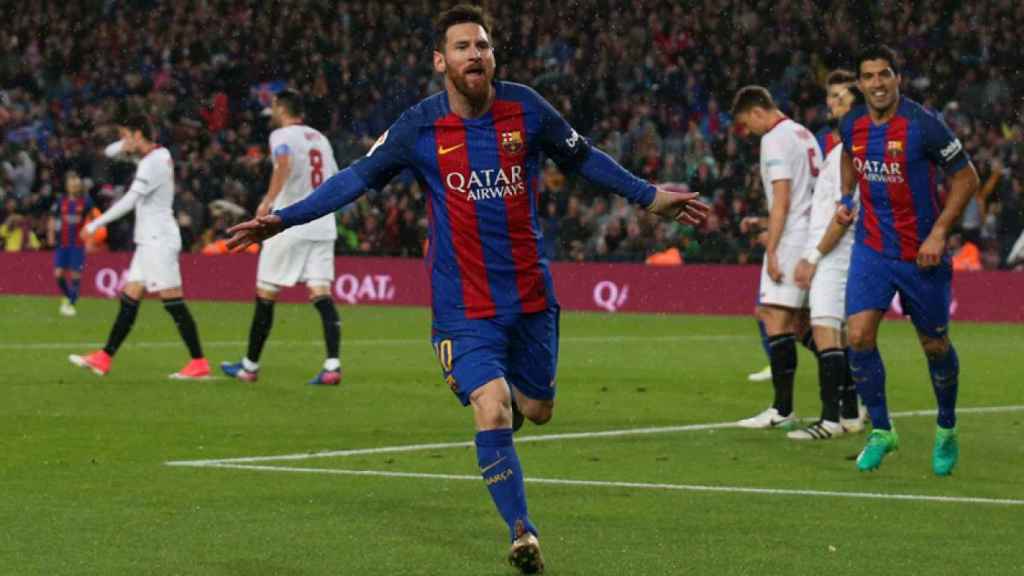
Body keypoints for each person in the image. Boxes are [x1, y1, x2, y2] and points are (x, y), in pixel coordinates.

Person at [224, 5, 709, 573]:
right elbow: (356, 177)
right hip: (463, 306)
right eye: (462, 47)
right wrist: (283, 218)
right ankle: (522, 530)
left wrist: (648, 196)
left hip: (530, 296)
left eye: (482, 45)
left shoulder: (526, 108)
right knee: (494, 405)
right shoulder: (417, 127)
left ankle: (507, 423)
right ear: (441, 61)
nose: (474, 54)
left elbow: (583, 158)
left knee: (538, 408)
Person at [822, 45, 980, 474]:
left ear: (897, 78)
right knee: (857, 336)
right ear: (860, 82)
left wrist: (938, 233)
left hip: (921, 255)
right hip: (872, 248)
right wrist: (845, 196)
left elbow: (967, 178)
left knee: (934, 345)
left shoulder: (924, 126)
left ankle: (946, 427)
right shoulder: (851, 122)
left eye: (884, 74)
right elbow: (851, 162)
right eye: (869, 76)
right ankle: (883, 431)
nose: (877, 83)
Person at [69, 115, 211, 379]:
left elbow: (130, 201)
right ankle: (104, 357)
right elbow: (110, 152)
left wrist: (94, 224)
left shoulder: (151, 163)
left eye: (125, 135)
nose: (121, 141)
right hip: (149, 240)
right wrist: (125, 144)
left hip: (159, 240)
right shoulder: (158, 154)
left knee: (173, 302)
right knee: (130, 297)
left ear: (138, 135)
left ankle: (199, 361)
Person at [220, 89, 344, 385]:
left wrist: (267, 202)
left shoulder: (281, 136)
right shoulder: (321, 139)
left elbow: (284, 164)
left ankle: (249, 367)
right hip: (323, 224)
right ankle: (332, 366)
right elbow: (336, 177)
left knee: (266, 293)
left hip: (289, 221)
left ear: (280, 108)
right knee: (321, 294)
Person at [731, 86, 821, 430]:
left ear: (757, 112)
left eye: (745, 124)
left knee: (774, 319)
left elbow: (783, 197)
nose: (748, 132)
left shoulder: (774, 139)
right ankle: (850, 390)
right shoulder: (804, 134)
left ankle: (782, 410)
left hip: (791, 241)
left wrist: (772, 247)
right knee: (802, 325)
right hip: (808, 235)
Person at [789, 70, 866, 440]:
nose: (832, 103)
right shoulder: (842, 150)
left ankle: (829, 420)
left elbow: (842, 216)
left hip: (835, 256)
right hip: (838, 253)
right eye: (831, 96)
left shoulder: (847, 154)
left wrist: (814, 257)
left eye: (841, 98)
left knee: (826, 333)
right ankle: (850, 413)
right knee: (834, 335)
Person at [48, 170, 93, 316]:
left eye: (76, 184)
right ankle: (69, 297)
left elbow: (93, 220)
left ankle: (70, 303)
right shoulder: (61, 201)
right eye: (71, 183)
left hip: (78, 244)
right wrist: (51, 234)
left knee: (75, 276)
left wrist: (91, 238)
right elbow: (53, 218)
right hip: (63, 244)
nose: (74, 186)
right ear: (67, 186)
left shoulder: (86, 202)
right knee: (58, 274)